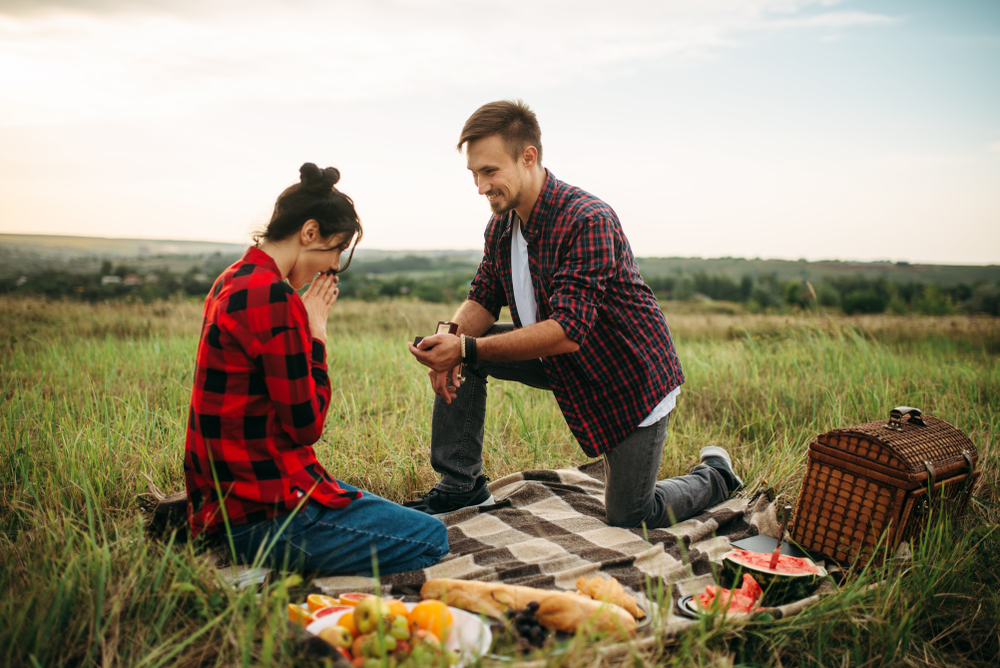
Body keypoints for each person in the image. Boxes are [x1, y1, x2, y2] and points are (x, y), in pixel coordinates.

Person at [407, 101, 742, 528]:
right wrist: (447, 341)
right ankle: (460, 487)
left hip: (626, 377)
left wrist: (465, 348)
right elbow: (482, 300)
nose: (480, 186)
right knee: (465, 351)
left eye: (489, 171)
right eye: (474, 174)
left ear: (528, 157)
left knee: (632, 516)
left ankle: (715, 475)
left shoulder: (587, 219)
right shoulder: (500, 227)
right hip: (561, 361)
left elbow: (568, 331)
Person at [184, 163, 448, 575]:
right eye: (335, 251)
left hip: (228, 501)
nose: (330, 268)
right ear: (309, 233)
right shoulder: (273, 297)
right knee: (431, 538)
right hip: (264, 514)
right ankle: (260, 569)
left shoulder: (232, 278)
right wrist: (316, 331)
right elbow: (307, 425)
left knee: (368, 505)